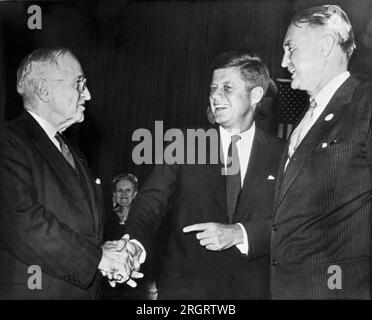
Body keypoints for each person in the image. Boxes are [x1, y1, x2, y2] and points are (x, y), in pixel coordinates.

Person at [115, 51, 285, 299]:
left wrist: (240, 233)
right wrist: (133, 244)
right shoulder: (184, 144)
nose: (215, 96)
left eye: (227, 88)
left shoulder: (282, 153)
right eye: (213, 88)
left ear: (256, 95)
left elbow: (294, 223)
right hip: (187, 293)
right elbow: (150, 201)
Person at [0, 47, 139, 299]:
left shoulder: (72, 151)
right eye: (79, 83)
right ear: (44, 90)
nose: (87, 93)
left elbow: (79, 227)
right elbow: (21, 222)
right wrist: (98, 258)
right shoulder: (8, 140)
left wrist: (105, 253)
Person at [271, 5, 372, 299]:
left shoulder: (365, 104)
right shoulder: (308, 117)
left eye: (290, 49)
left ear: (325, 45)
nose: (283, 61)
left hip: (337, 289)